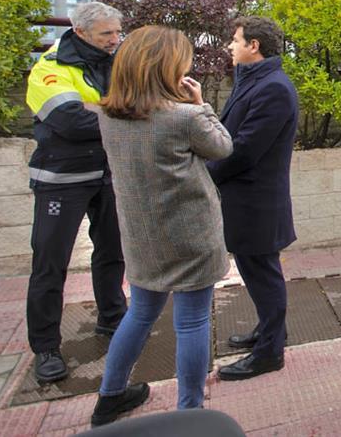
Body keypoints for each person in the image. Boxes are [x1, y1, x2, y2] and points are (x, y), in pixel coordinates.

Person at [91, 26, 233, 426]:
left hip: (141, 236)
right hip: (190, 236)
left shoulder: (107, 115)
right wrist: (201, 104)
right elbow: (223, 147)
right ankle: (190, 411)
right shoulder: (185, 118)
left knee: (139, 314)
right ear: (166, 68)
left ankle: (110, 396)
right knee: (191, 321)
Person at [24, 1, 127, 383]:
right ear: (81, 32)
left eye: (117, 32)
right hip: (61, 179)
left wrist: (99, 107)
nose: (115, 40)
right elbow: (69, 121)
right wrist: (118, 109)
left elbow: (143, 104)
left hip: (109, 173)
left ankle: (112, 318)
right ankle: (46, 347)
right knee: (50, 265)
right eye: (107, 34)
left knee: (113, 252)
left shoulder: (114, 59)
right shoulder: (50, 67)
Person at [208, 16, 299, 381]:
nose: (230, 46)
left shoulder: (273, 88)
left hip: (257, 204)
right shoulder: (255, 81)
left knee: (264, 276)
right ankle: (269, 332)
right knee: (256, 273)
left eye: (235, 40)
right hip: (245, 201)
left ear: (254, 46)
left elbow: (244, 150)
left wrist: (206, 174)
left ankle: (269, 353)